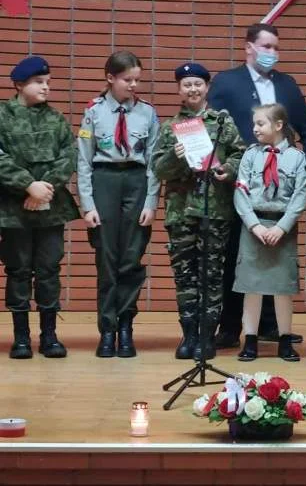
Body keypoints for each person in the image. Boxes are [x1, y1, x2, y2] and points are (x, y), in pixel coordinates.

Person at [207, 23, 306, 349]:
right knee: (237, 256)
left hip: (281, 187)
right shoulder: (227, 82)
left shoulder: (287, 85)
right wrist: (218, 165)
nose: (272, 53)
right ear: (249, 47)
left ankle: (271, 327)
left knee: (277, 256)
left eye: (276, 47)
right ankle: (230, 327)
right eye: (266, 46)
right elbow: (210, 129)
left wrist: (304, 168)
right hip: (239, 183)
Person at [152, 63, 245, 360]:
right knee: (185, 276)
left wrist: (226, 170)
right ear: (179, 89)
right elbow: (158, 169)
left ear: (206, 88)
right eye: (186, 84)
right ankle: (188, 334)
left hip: (214, 210)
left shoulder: (222, 122)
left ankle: (206, 336)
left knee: (211, 275)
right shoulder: (169, 127)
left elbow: (241, 154)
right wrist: (174, 156)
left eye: (198, 84)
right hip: (181, 212)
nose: (192, 89)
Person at [77, 51, 160, 358]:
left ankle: (126, 327)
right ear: (110, 78)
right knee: (107, 260)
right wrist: (87, 205)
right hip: (105, 182)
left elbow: (154, 163)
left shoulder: (147, 114)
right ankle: (107, 330)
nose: (134, 85)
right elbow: (83, 161)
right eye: (128, 79)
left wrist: (151, 202)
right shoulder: (94, 112)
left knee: (131, 259)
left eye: (137, 79)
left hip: (136, 182)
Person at [0, 56, 80, 359]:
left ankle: (49, 336)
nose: (46, 87)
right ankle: (21, 338)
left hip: (50, 207)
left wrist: (43, 189)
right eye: (38, 82)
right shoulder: (2, 116)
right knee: (18, 270)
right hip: (13, 209)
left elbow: (68, 156)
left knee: (48, 270)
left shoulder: (56, 119)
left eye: (47, 82)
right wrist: (27, 185)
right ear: (20, 85)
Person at [233, 104, 306, 362]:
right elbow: (240, 192)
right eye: (254, 124)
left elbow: (299, 197)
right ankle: (251, 340)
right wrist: (254, 225)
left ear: (278, 125)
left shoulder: (297, 158)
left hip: (281, 229)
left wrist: (281, 227)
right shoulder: (250, 155)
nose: (255, 128)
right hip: (253, 226)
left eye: (260, 123)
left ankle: (285, 340)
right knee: (251, 288)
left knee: (282, 289)